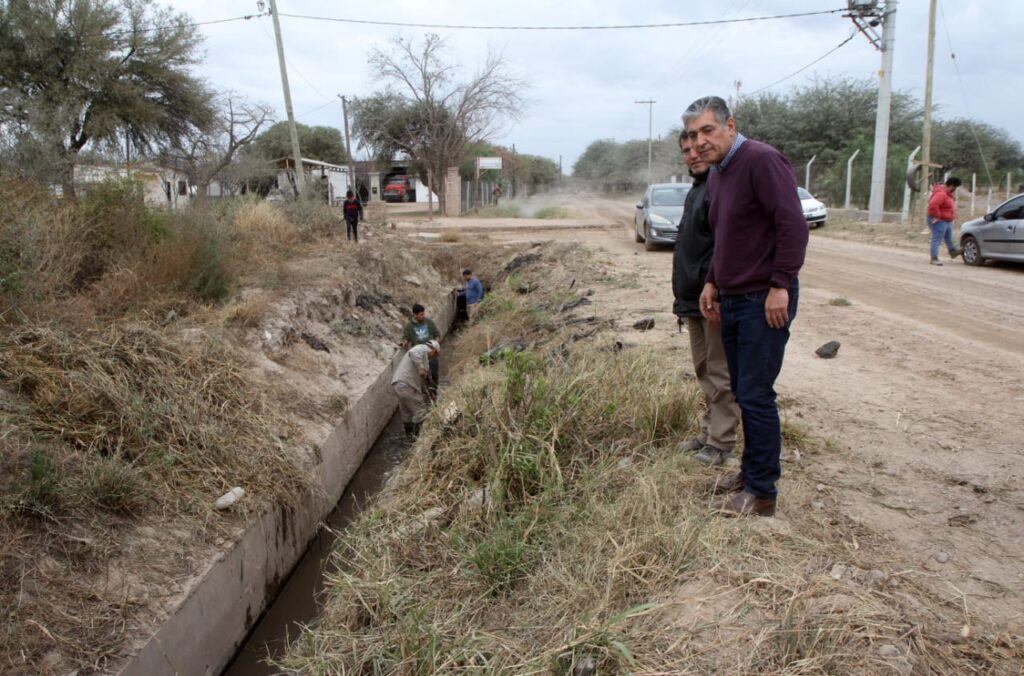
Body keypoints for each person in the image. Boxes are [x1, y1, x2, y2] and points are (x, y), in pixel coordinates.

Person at [684, 95, 809, 517]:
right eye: (693, 135)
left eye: (707, 130)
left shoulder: (761, 160)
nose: (699, 142)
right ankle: (749, 474)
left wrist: (780, 285)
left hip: (763, 299)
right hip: (733, 298)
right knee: (743, 391)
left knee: (756, 396)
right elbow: (726, 237)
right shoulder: (720, 172)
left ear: (730, 126)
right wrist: (712, 282)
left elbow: (792, 225)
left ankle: (762, 492)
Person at [672, 130, 741, 467]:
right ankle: (708, 433)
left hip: (712, 298)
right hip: (691, 301)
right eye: (686, 150)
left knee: (720, 372)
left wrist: (714, 287)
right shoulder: (698, 189)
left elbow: (725, 245)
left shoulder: (718, 187)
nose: (693, 155)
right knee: (704, 370)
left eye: (697, 148)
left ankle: (721, 442)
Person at [391, 339, 440, 437]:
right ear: (434, 351)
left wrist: (429, 393)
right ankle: (417, 440)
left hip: (398, 385)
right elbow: (413, 352)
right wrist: (420, 367)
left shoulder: (424, 359)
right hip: (407, 384)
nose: (433, 358)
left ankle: (409, 438)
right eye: (435, 355)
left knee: (407, 414)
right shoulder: (422, 348)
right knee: (420, 411)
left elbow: (422, 382)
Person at [400, 303, 441, 397]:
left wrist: (435, 344)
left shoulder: (429, 322)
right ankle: (427, 395)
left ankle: (434, 392)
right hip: (421, 356)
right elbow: (406, 337)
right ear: (415, 315)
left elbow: (437, 334)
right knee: (424, 377)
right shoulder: (409, 326)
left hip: (431, 354)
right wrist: (403, 342)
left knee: (434, 374)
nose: (423, 316)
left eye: (423, 314)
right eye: (421, 315)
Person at [926, 177, 964, 265]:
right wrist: (937, 216)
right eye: (955, 187)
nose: (955, 189)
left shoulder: (947, 194)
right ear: (951, 185)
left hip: (946, 220)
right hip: (939, 220)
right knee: (937, 238)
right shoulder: (941, 194)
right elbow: (933, 205)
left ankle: (952, 251)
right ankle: (934, 258)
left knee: (948, 236)